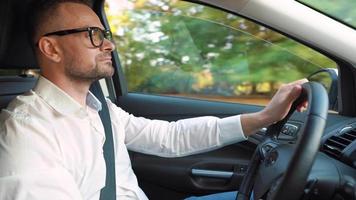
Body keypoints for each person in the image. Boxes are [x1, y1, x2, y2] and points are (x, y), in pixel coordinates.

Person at [0, 0, 307, 199]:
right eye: (92, 34)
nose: (109, 44)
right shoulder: (26, 132)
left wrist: (264, 117)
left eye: (104, 33)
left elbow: (168, 137)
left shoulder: (99, 108)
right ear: (51, 49)